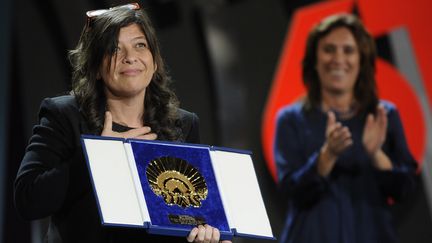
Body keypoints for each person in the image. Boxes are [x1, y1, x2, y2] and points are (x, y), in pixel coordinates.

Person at [14, 3, 231, 243]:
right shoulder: (65, 115)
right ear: (95, 67)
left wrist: (205, 236)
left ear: (154, 61)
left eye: (140, 45)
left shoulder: (183, 124)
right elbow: (28, 200)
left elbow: (187, 214)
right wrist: (97, 156)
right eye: (114, 49)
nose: (130, 58)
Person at [274, 13, 417, 243]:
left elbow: (404, 190)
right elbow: (292, 193)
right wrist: (327, 156)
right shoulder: (291, 119)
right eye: (329, 49)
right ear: (314, 60)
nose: (338, 58)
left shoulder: (383, 115)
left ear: (362, 59)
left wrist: (376, 155)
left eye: (348, 50)